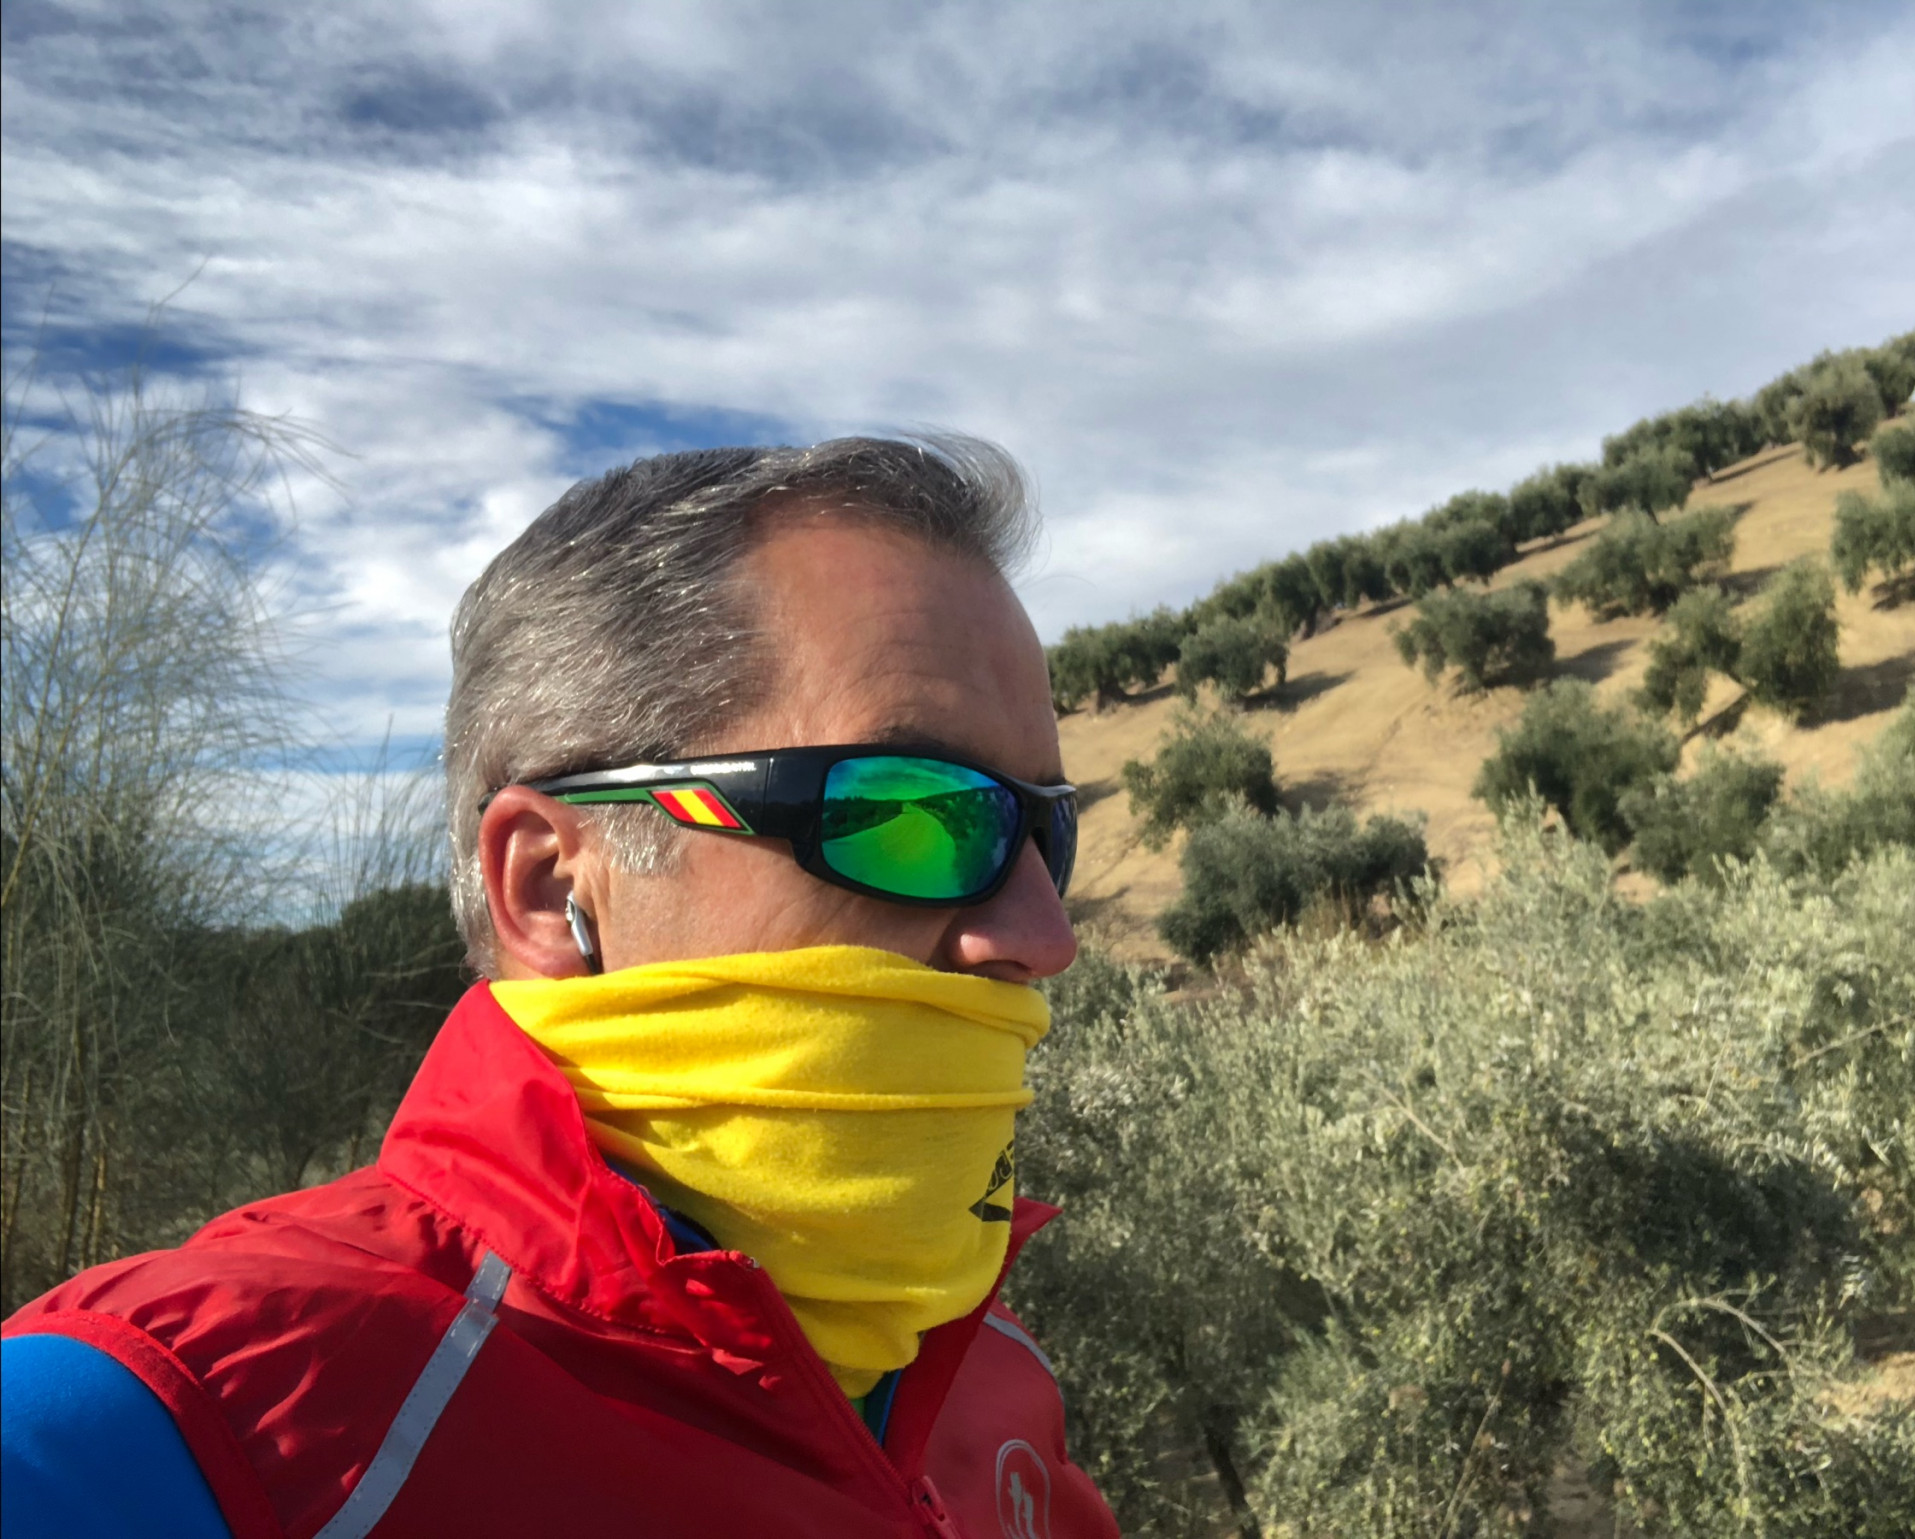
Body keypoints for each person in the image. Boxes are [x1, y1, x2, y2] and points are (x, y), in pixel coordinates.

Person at [2, 436, 1119, 1537]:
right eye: (908, 814)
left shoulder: (979, 1361)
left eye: (1044, 830)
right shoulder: (164, 1430)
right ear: (549, 888)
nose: (1044, 935)